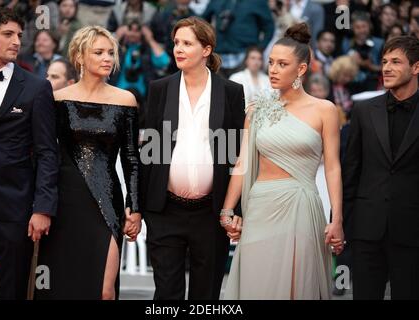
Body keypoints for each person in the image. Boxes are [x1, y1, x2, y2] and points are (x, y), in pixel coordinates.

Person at [223, 22, 345, 300]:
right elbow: (243, 162)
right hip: (260, 207)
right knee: (257, 287)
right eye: (270, 62)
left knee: (296, 289)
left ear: (301, 69)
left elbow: (334, 168)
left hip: (301, 208)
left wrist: (336, 218)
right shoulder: (255, 110)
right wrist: (227, 210)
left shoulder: (325, 110)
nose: (273, 70)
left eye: (282, 63)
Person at [140, 16, 245, 300]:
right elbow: (150, 152)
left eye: (187, 43)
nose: (178, 49)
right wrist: (140, 207)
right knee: (166, 294)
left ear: (206, 50)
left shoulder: (231, 92)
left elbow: (236, 155)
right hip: (165, 211)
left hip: (211, 214)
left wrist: (235, 211)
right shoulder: (160, 88)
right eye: (176, 42)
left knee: (206, 295)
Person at [35, 26, 141, 300]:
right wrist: (40, 205)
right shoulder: (58, 99)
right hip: (64, 202)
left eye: (110, 53)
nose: (107, 58)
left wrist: (135, 206)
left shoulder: (125, 99)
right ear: (80, 57)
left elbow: (131, 158)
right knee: (62, 288)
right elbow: (45, 154)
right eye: (99, 52)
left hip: (107, 201)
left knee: (105, 292)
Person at [0, 6, 58, 300]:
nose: (16, 41)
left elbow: (47, 152)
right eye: (7, 34)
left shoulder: (36, 88)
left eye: (19, 35)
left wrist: (42, 208)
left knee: (14, 293)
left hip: (15, 208)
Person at [342, 35, 419, 300]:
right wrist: (340, 221)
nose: (386, 67)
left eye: (396, 62)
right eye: (384, 61)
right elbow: (350, 172)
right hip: (367, 229)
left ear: (416, 67)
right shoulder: (363, 110)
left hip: (412, 231)